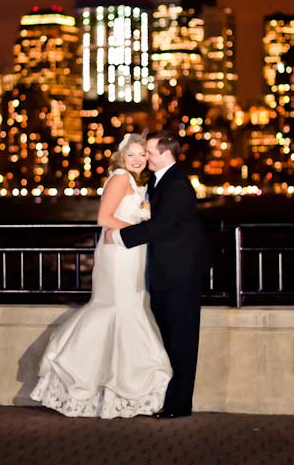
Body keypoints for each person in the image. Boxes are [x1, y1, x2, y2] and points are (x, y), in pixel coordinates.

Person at [30, 133, 172, 418]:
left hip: (131, 252)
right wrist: (141, 231)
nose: (137, 159)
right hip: (118, 255)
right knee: (117, 309)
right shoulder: (120, 178)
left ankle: (117, 390)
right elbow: (104, 218)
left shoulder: (135, 180)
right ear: (121, 157)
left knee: (129, 309)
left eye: (142, 154)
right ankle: (86, 375)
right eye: (131, 154)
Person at [104, 130, 208, 419]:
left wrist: (119, 236)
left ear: (166, 153)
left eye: (149, 152)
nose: (145, 157)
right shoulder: (159, 180)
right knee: (170, 339)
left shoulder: (176, 184)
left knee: (182, 341)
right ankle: (167, 399)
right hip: (166, 273)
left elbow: (161, 226)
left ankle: (179, 406)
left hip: (180, 274)